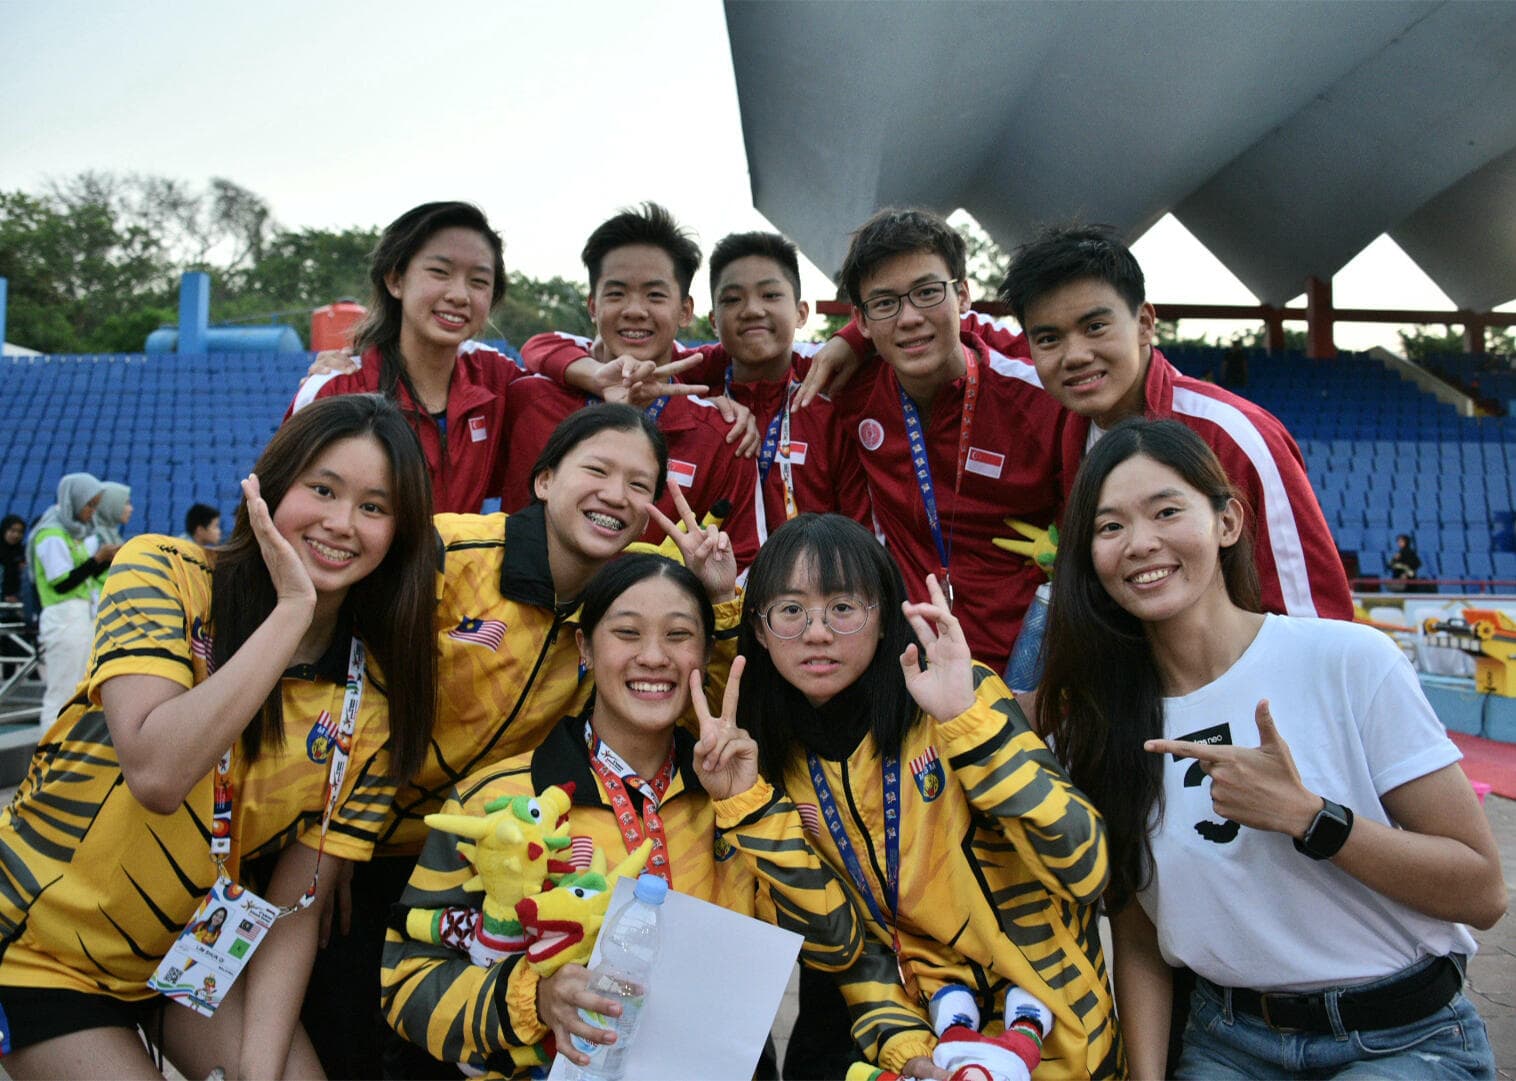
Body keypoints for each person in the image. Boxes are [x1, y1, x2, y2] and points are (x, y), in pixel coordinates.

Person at [1037, 418, 1504, 1079]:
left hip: (1401, 1037)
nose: (1140, 543)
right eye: (1109, 526)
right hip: (1229, 1043)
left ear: (1227, 521)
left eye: (1166, 511)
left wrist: (1311, 818)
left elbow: (1482, 892)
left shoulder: (1348, 660)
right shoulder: (1096, 725)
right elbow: (1138, 936)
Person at [0, 394, 438, 1078]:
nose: (341, 523)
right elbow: (157, 773)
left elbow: (297, 908)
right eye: (323, 489)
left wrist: (259, 1070)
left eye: (374, 507)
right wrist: (292, 611)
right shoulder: (163, 571)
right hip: (40, 948)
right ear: (272, 486)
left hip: (191, 952)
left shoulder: (374, 700)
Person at [303, 402, 742, 1079]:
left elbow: (697, 692)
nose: (616, 494)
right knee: (353, 1037)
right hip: (365, 839)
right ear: (543, 479)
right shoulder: (451, 551)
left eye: (639, 485)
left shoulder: (632, 590)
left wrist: (721, 601)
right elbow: (355, 683)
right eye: (597, 470)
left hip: (501, 846)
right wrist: (331, 838)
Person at [703, 513, 1120, 1079]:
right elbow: (850, 952)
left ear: (883, 619)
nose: (817, 632)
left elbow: (1086, 869)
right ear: (760, 629)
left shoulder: (952, 697)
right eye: (791, 610)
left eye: (843, 607)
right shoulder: (780, 756)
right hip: (930, 1046)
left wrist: (970, 725)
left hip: (1059, 1043)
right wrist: (911, 1054)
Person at [804, 222, 1353, 624]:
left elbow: (1320, 623)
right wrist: (851, 338)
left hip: (1240, 712)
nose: (1075, 355)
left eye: (1095, 327)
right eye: (1049, 338)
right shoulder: (1075, 428)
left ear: (1145, 323)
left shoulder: (1232, 436)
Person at [382, 554, 760, 1075]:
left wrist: (747, 806)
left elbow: (829, 945)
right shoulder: (498, 800)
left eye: (678, 635)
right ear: (584, 647)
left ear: (706, 653)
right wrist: (534, 1001)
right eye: (627, 632)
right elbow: (404, 984)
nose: (654, 656)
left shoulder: (736, 797)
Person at [788, 209, 1066, 670]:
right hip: (911, 664)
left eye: (928, 292)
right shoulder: (848, 387)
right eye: (885, 303)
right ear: (861, 319)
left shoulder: (1042, 398)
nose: (910, 318)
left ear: (963, 294)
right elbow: (753, 356)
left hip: (1029, 668)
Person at [528, 230, 874, 554]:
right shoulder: (688, 371)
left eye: (770, 295)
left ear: (801, 313)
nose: (752, 310)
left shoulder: (826, 388)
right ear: (712, 320)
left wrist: (851, 340)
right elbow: (543, 345)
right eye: (732, 299)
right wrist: (595, 376)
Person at [515, 204, 761, 563]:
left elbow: (742, 563)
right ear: (592, 306)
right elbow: (538, 345)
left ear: (685, 310)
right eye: (616, 294)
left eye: (655, 295)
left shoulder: (723, 439)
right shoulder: (528, 401)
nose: (634, 310)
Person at [288, 200, 531, 513]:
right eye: (439, 272)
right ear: (395, 280)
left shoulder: (495, 376)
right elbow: (279, 505)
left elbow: (562, 368)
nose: (459, 295)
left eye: (479, 281)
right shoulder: (334, 388)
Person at [27, 473, 116, 728]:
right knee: (61, 690)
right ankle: (49, 749)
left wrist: (107, 560)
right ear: (73, 501)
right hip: (62, 616)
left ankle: (66, 747)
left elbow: (85, 576)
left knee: (77, 688)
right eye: (89, 505)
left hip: (80, 615)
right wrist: (98, 559)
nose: (92, 512)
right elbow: (62, 582)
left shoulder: (74, 534)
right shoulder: (51, 534)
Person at [89, 481, 133, 588]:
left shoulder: (112, 535)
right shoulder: (93, 536)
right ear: (110, 504)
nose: (131, 509)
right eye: (126, 503)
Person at [1, 514, 25, 602]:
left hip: (18, 601)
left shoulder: (22, 552)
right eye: (12, 530)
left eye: (20, 532)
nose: (16, 535)